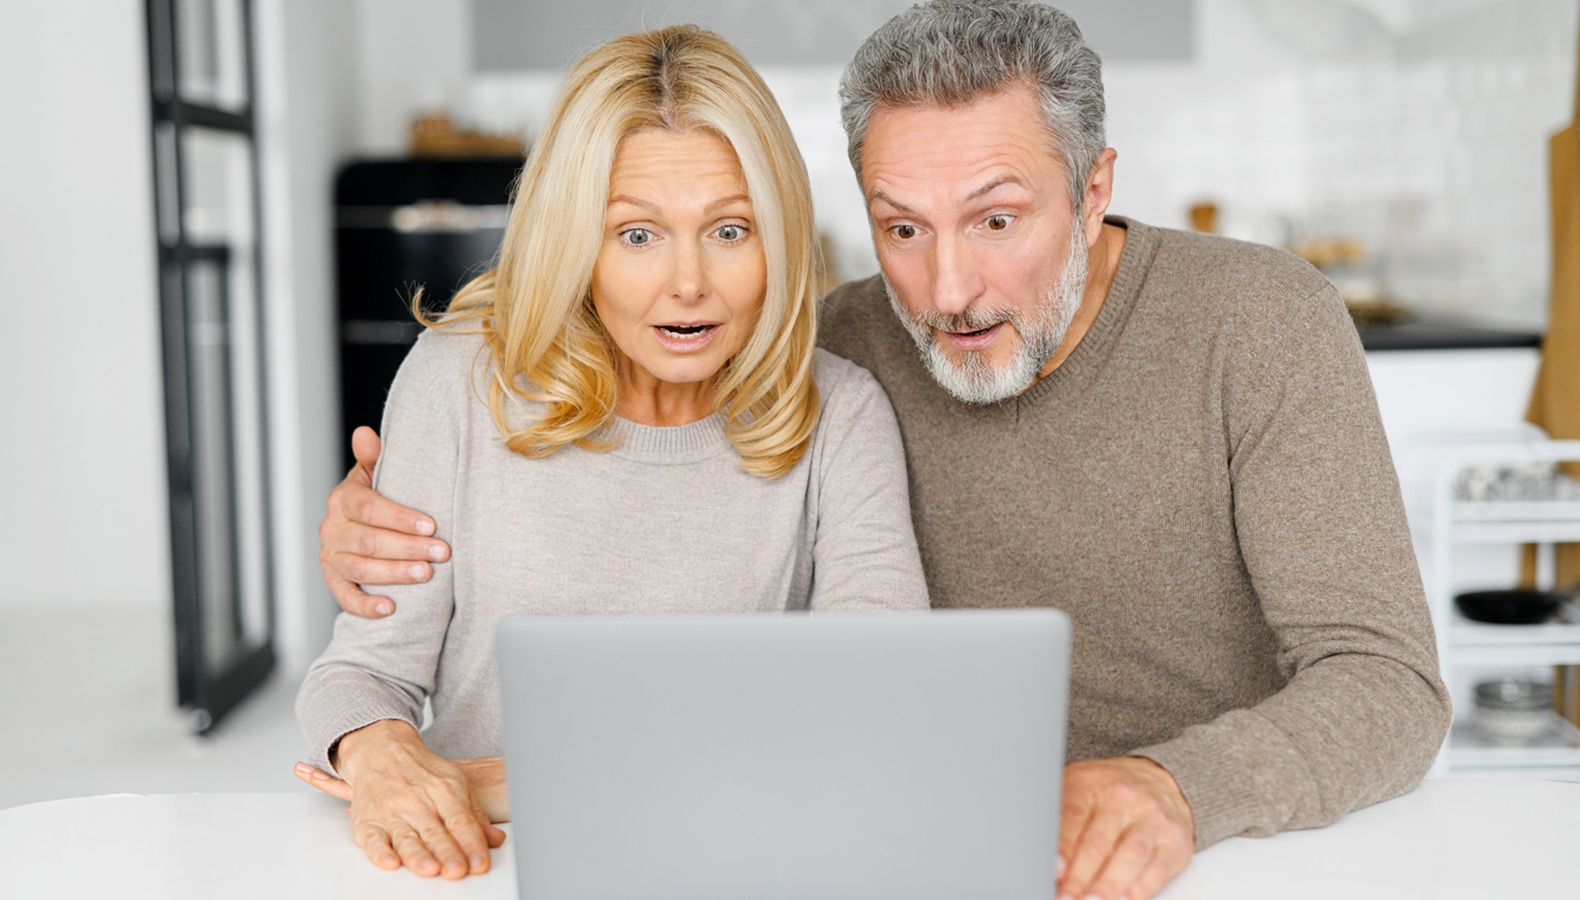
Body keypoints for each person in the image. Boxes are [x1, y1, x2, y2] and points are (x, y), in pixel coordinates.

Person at [313, 2, 1450, 898]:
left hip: (1203, 853)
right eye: (902, 227)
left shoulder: (1256, 323)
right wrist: (368, 550)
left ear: (1095, 188)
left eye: (998, 219)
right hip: (880, 847)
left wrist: (1177, 788)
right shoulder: (836, 344)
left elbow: (1389, 685)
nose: (947, 288)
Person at [293, 25, 929, 882]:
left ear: (779, 237)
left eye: (731, 231)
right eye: (637, 235)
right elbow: (364, 673)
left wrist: (510, 780)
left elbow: (876, 710)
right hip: (485, 865)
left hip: (739, 860)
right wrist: (376, 753)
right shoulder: (456, 382)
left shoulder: (842, 416)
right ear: (576, 242)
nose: (689, 282)